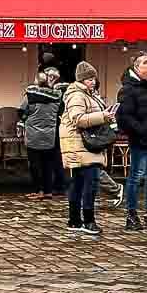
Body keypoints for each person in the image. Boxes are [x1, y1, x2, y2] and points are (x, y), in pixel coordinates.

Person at [60, 61, 114, 238]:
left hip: (80, 145)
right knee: (90, 183)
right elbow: (78, 119)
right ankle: (88, 221)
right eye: (89, 79)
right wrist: (103, 116)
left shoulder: (86, 94)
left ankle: (74, 220)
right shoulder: (77, 95)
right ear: (81, 80)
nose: (93, 81)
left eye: (93, 78)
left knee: (78, 183)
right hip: (81, 145)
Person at [18, 71, 64, 199]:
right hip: (50, 134)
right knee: (48, 164)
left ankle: (38, 190)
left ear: (37, 81)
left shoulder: (30, 96)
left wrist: (26, 119)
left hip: (33, 135)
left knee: (35, 165)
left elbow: (21, 111)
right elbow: (61, 112)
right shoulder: (56, 97)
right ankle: (48, 191)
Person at [116, 52, 147, 230]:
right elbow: (124, 117)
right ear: (136, 67)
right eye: (146, 63)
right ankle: (132, 214)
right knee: (136, 177)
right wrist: (141, 131)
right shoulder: (128, 89)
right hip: (140, 142)